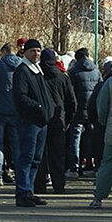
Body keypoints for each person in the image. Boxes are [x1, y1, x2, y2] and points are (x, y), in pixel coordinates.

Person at [12, 39, 56, 208]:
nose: (36, 54)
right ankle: (22, 192)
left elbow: (45, 94)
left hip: (41, 121)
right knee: (26, 158)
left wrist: (49, 108)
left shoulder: (38, 70)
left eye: (38, 50)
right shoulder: (22, 71)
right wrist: (38, 107)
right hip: (29, 121)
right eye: (33, 51)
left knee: (36, 159)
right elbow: (20, 97)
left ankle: (28, 191)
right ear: (25, 52)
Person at [37, 47, 77, 194]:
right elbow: (72, 101)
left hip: (41, 118)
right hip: (58, 119)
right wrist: (68, 119)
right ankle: (58, 184)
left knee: (40, 153)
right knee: (58, 154)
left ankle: (39, 184)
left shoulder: (38, 76)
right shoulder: (62, 77)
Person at [89, 57, 112, 209]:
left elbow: (101, 107)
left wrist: (104, 122)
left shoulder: (111, 83)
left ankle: (99, 196)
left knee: (108, 163)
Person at [0, 43, 22, 185]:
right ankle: (19, 174)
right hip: (16, 110)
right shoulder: (21, 64)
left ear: (4, 52)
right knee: (16, 144)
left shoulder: (0, 65)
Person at [67, 48, 101, 177]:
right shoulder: (96, 71)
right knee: (92, 138)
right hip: (92, 109)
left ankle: (74, 167)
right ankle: (92, 166)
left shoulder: (74, 72)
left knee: (75, 139)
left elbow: (70, 92)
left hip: (78, 109)